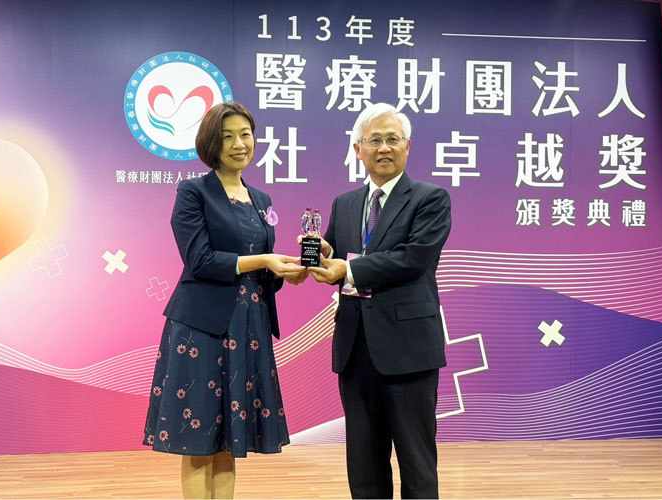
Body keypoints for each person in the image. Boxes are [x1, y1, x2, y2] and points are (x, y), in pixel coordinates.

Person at [143, 102, 307, 499]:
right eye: (229, 136)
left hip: (248, 326)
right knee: (198, 440)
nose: (239, 144)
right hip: (202, 328)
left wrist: (285, 271)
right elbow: (199, 260)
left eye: (246, 135)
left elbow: (258, 271)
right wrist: (263, 260)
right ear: (211, 143)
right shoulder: (193, 191)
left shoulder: (261, 198)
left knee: (229, 441)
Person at [308, 103, 452, 499]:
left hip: (409, 351)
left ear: (407, 147)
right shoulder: (346, 203)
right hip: (356, 349)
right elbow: (339, 256)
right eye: (375, 140)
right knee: (364, 463)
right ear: (358, 149)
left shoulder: (430, 199)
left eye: (393, 139)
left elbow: (414, 258)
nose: (384, 148)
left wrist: (347, 270)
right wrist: (321, 255)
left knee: (416, 462)